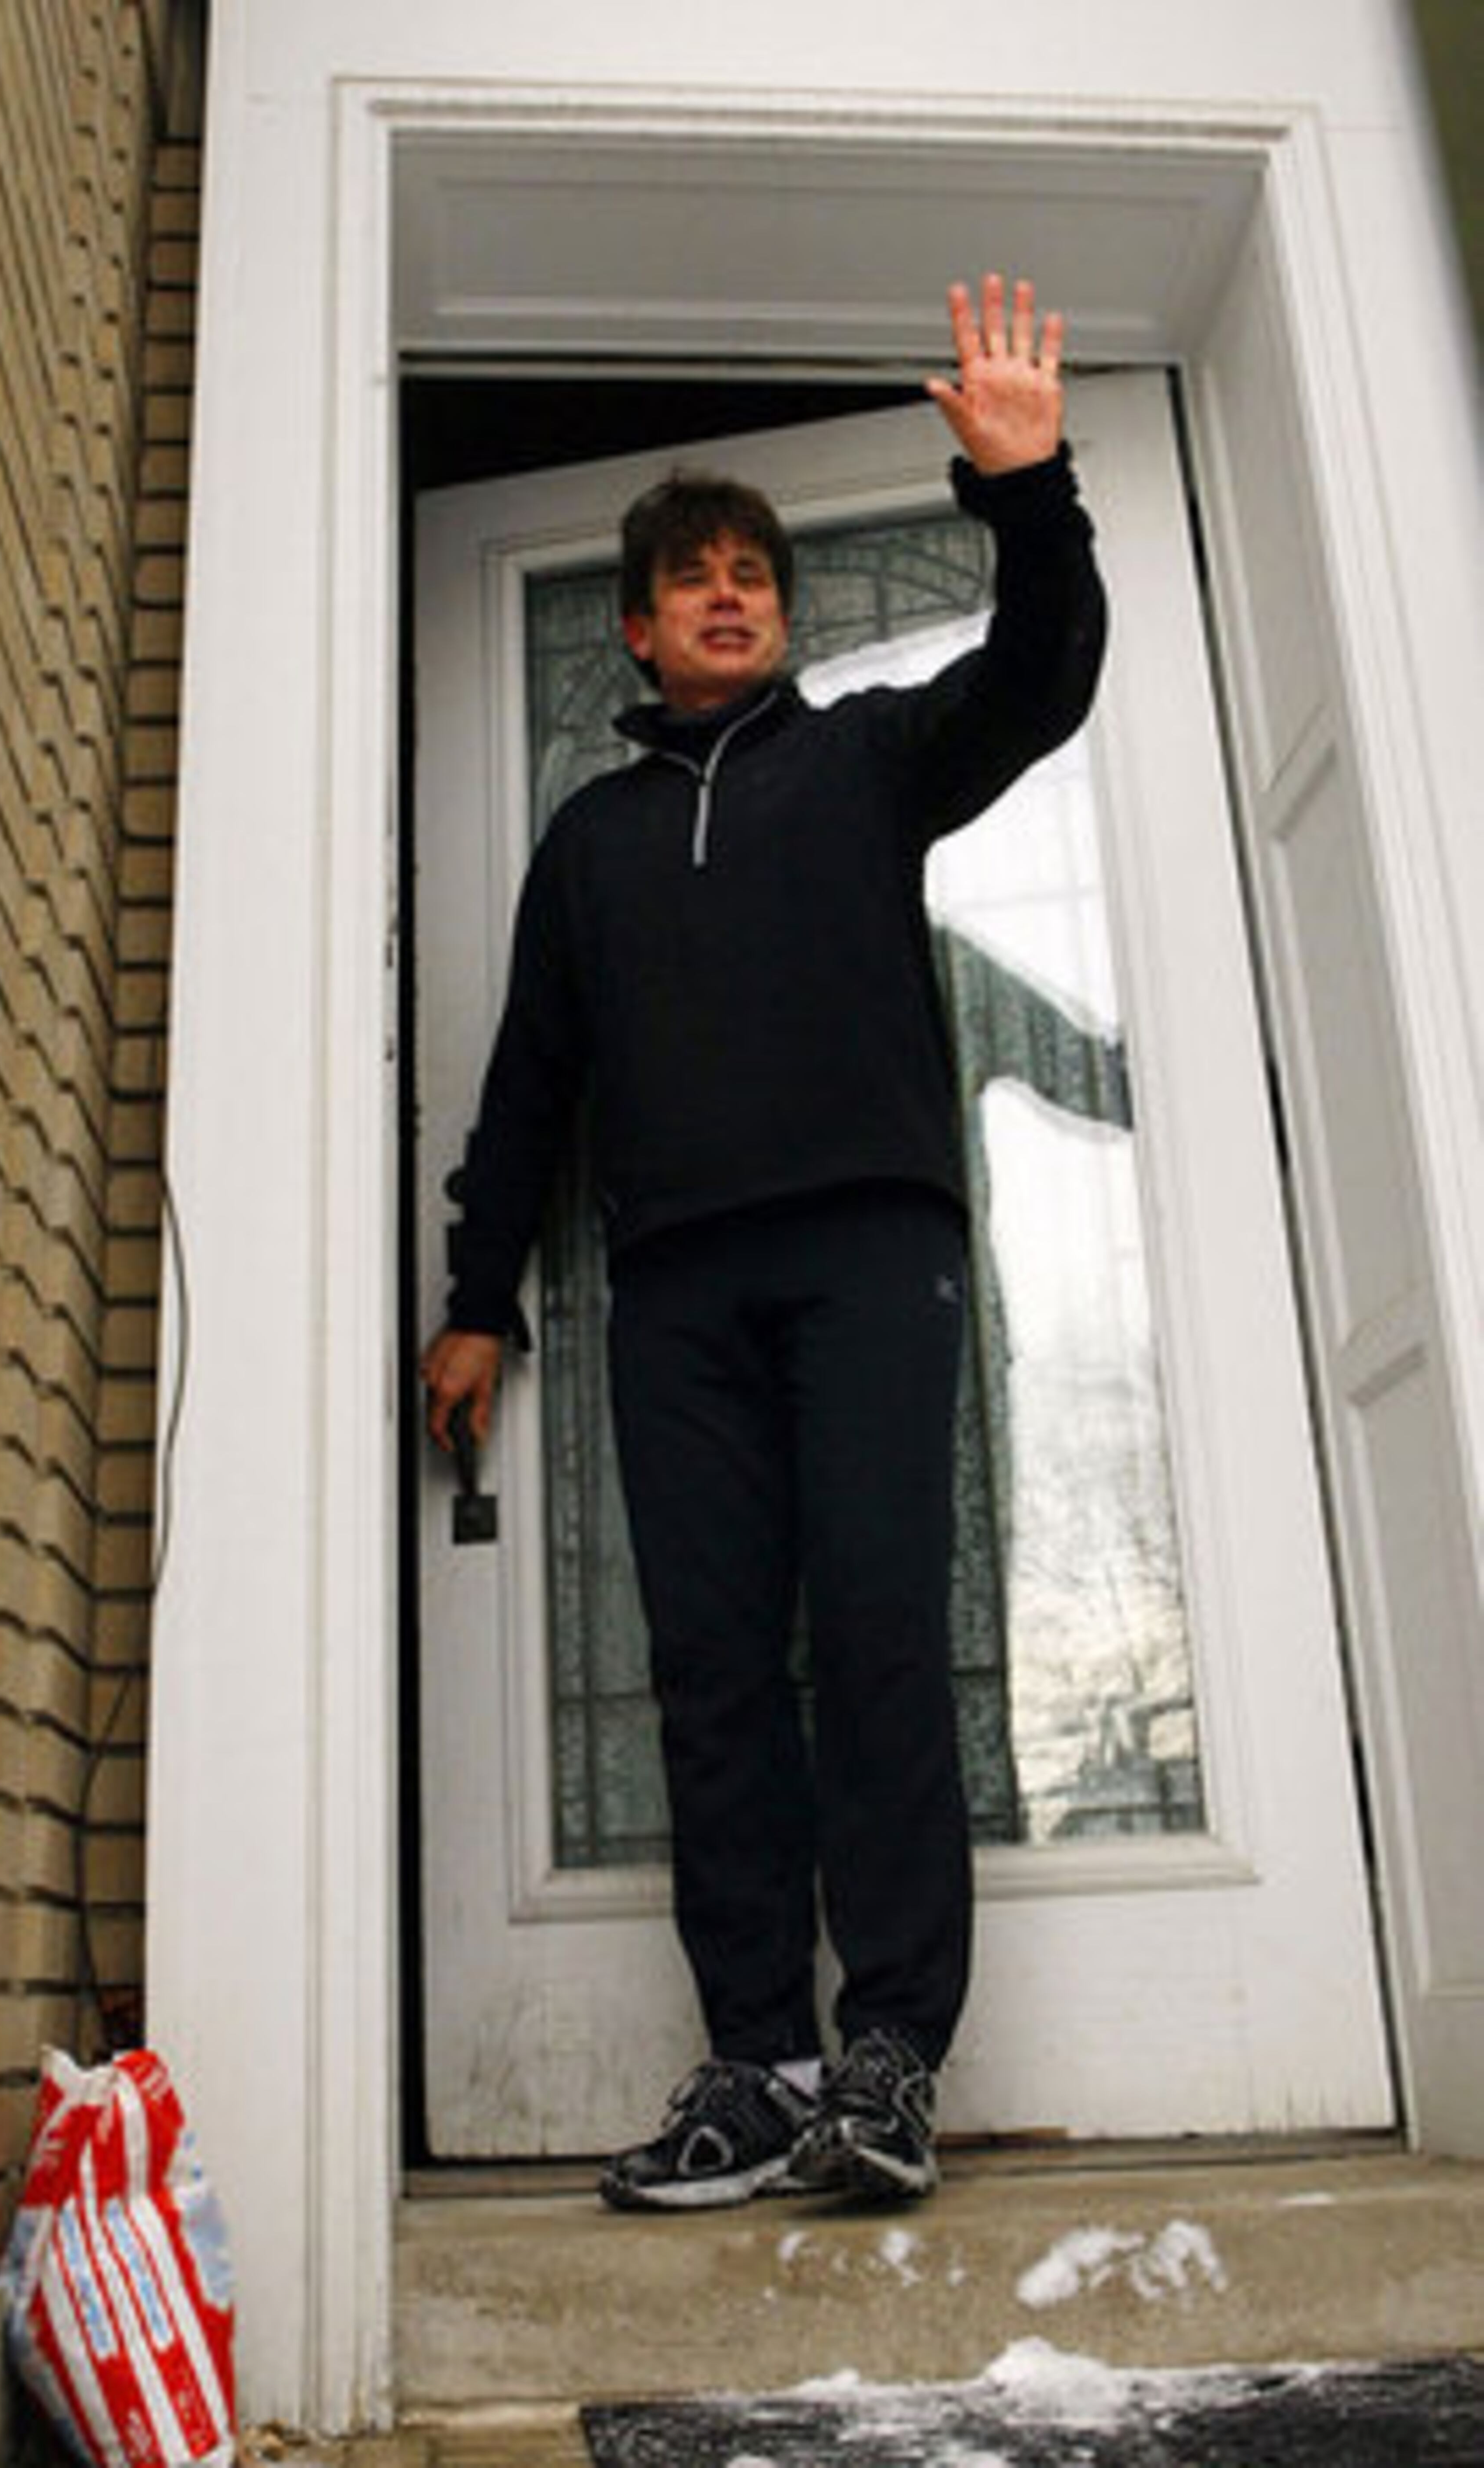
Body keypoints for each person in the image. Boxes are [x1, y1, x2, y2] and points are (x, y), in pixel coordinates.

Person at [422, 274, 1108, 2211]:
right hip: (676, 1293)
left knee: (880, 1635)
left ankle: (889, 2055)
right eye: (692, 578)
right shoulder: (591, 841)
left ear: (778, 615)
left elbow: (1042, 677)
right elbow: (525, 1088)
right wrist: (476, 1303)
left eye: (754, 574)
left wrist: (1029, 491)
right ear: (637, 626)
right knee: (713, 1666)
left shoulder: (871, 760)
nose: (730, 594)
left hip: (871, 1261)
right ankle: (759, 2059)